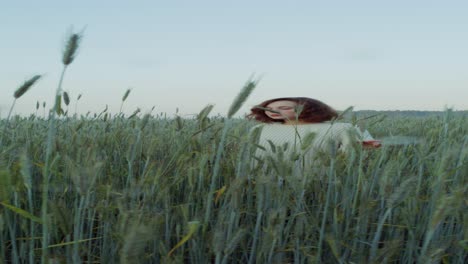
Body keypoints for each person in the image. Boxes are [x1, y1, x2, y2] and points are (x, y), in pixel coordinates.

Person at [246, 97, 381, 170]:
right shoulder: (259, 129)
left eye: (284, 108)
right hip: (260, 185)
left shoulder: (339, 128)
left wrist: (366, 146)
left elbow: (357, 150)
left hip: (316, 187)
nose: (273, 111)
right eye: (268, 108)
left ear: (307, 109)